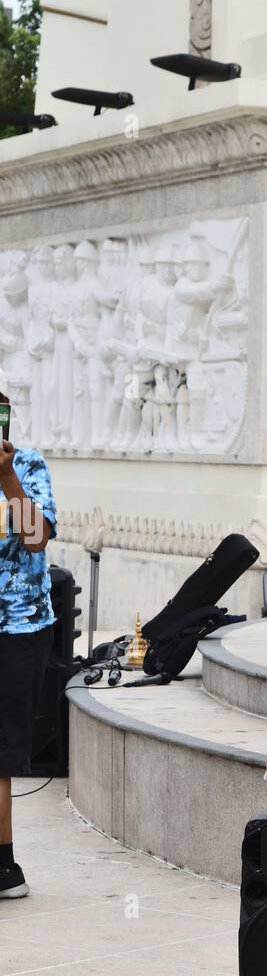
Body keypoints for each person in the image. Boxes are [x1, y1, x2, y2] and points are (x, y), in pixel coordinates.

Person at [0, 372, 57, 899]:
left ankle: (4, 867)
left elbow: (36, 539)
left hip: (16, 630)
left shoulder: (28, 465)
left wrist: (7, 479)